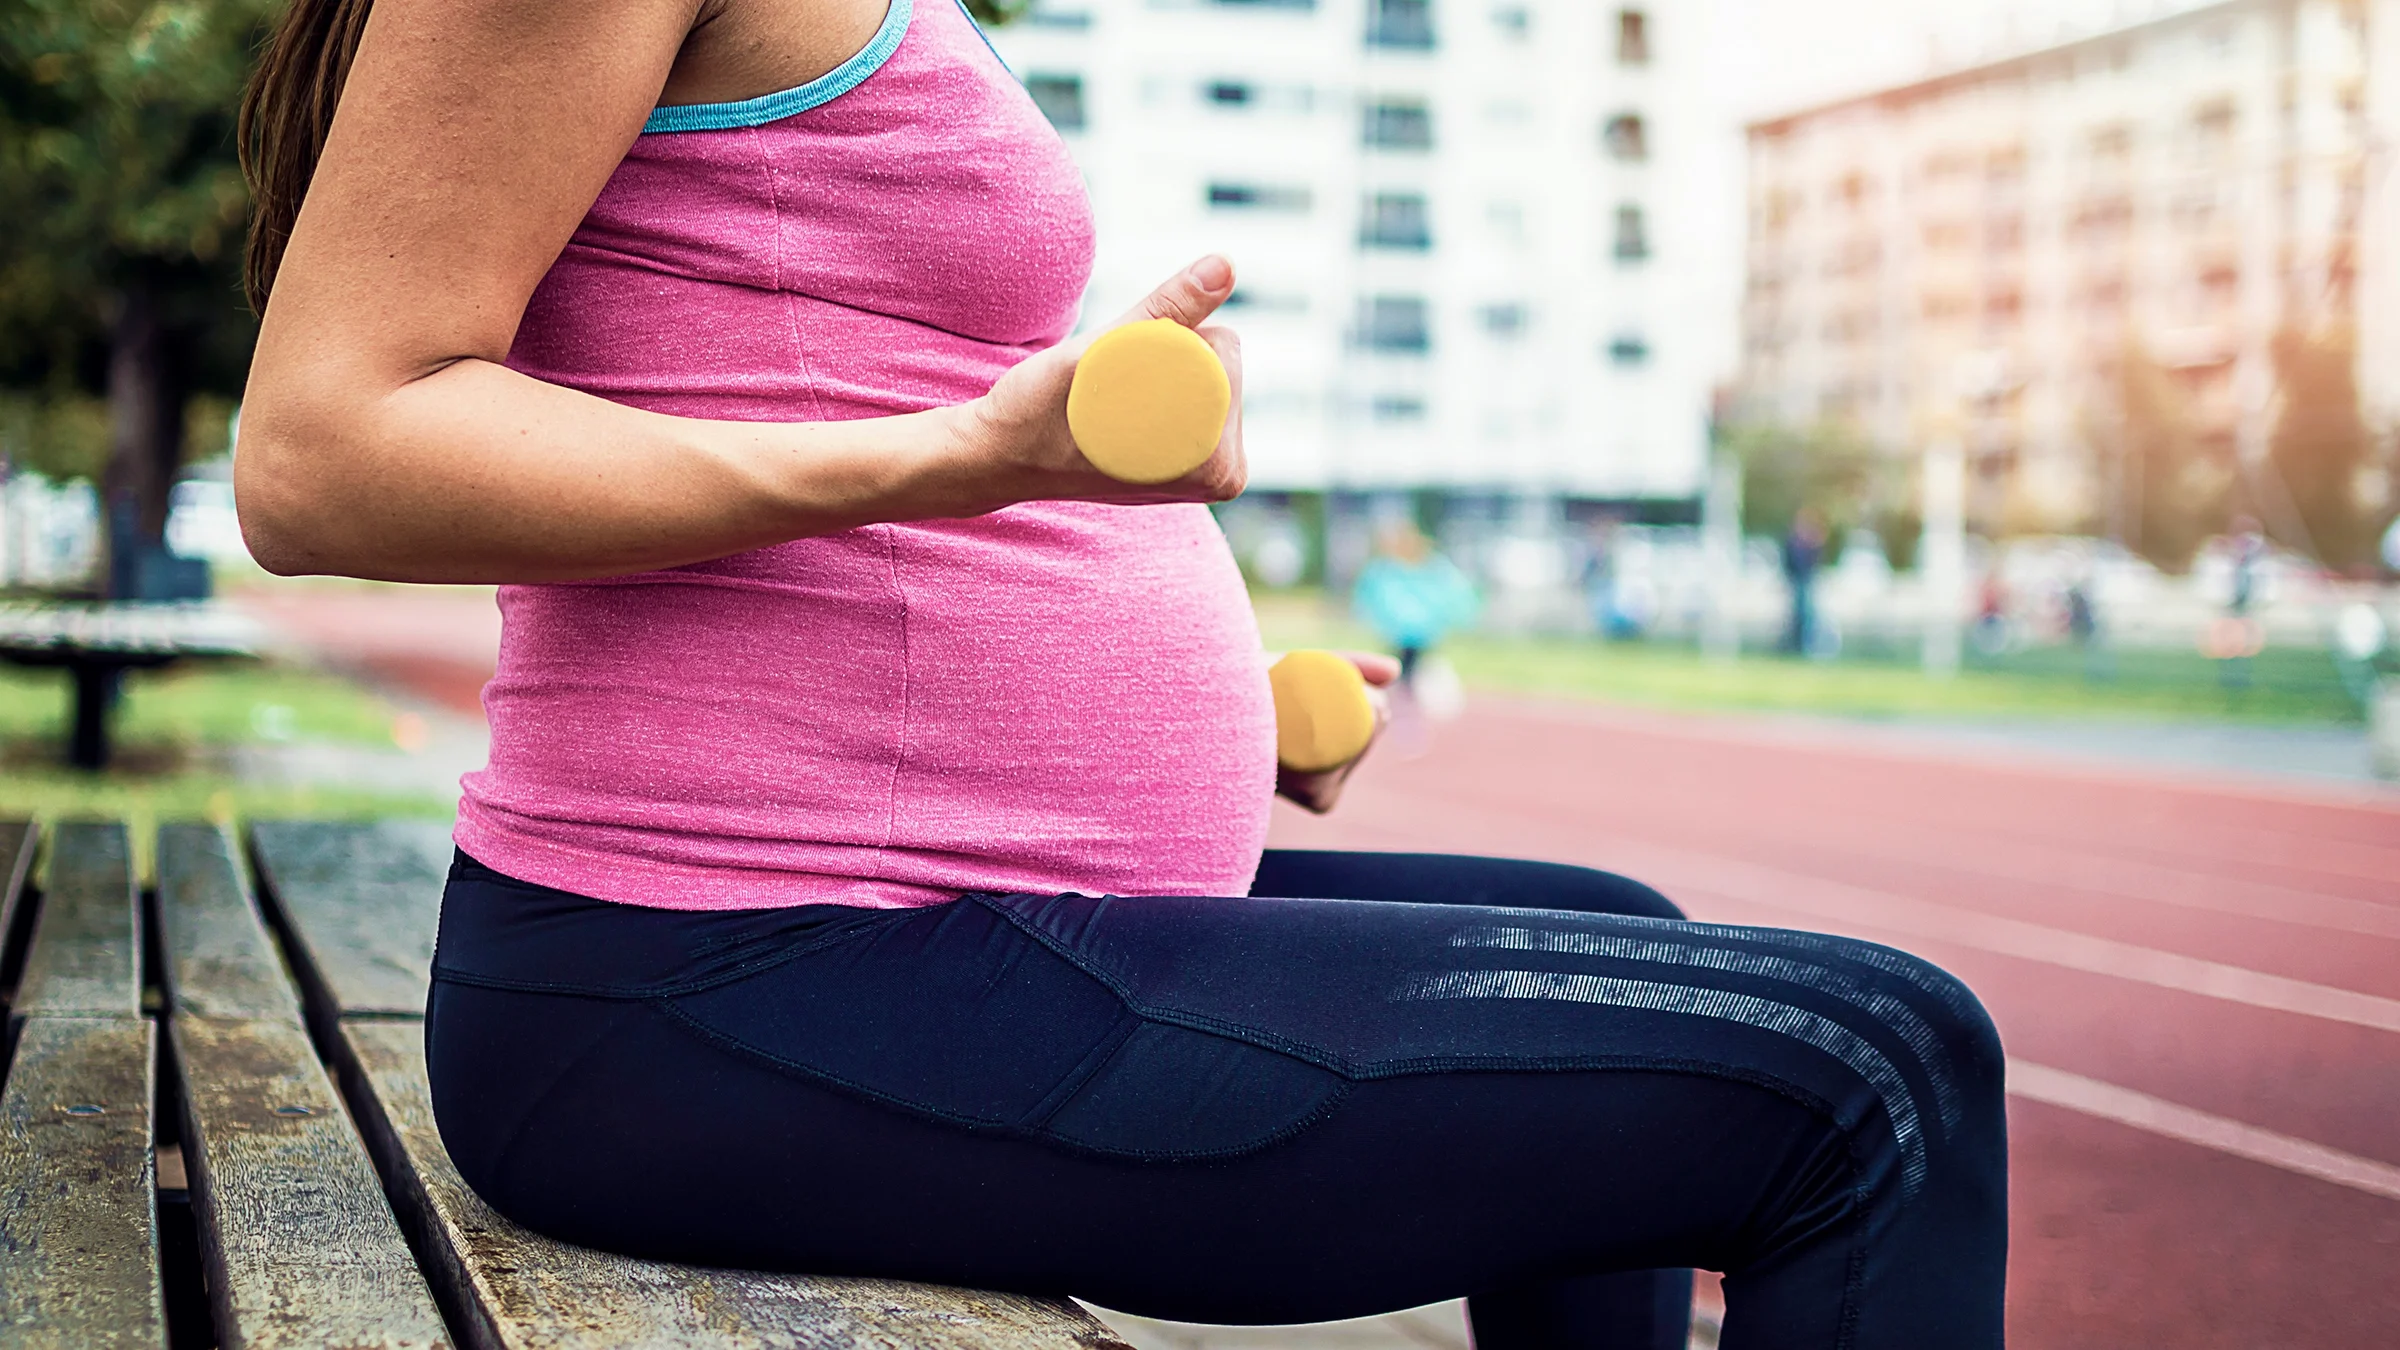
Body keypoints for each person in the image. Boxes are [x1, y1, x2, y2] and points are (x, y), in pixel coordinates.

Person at [232, 2, 2007, 1346]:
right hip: (713, 977)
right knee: (1879, 1067)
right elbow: (325, 456)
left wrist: (1212, 707)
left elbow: (789, 381)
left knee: (1623, 921)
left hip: (863, 915)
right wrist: (968, 460)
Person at [1352, 521, 1479, 687]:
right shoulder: (1388, 570)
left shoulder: (1431, 569)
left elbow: (1453, 594)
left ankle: (1407, 690)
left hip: (1417, 631)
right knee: (1401, 667)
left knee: (1408, 668)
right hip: (1402, 630)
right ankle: (1405, 690)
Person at [1779, 507, 1827, 656]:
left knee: (1806, 615)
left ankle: (1804, 646)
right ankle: (1796, 645)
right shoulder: (1794, 541)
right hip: (1797, 582)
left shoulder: (1809, 542)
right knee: (1798, 615)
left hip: (1806, 582)